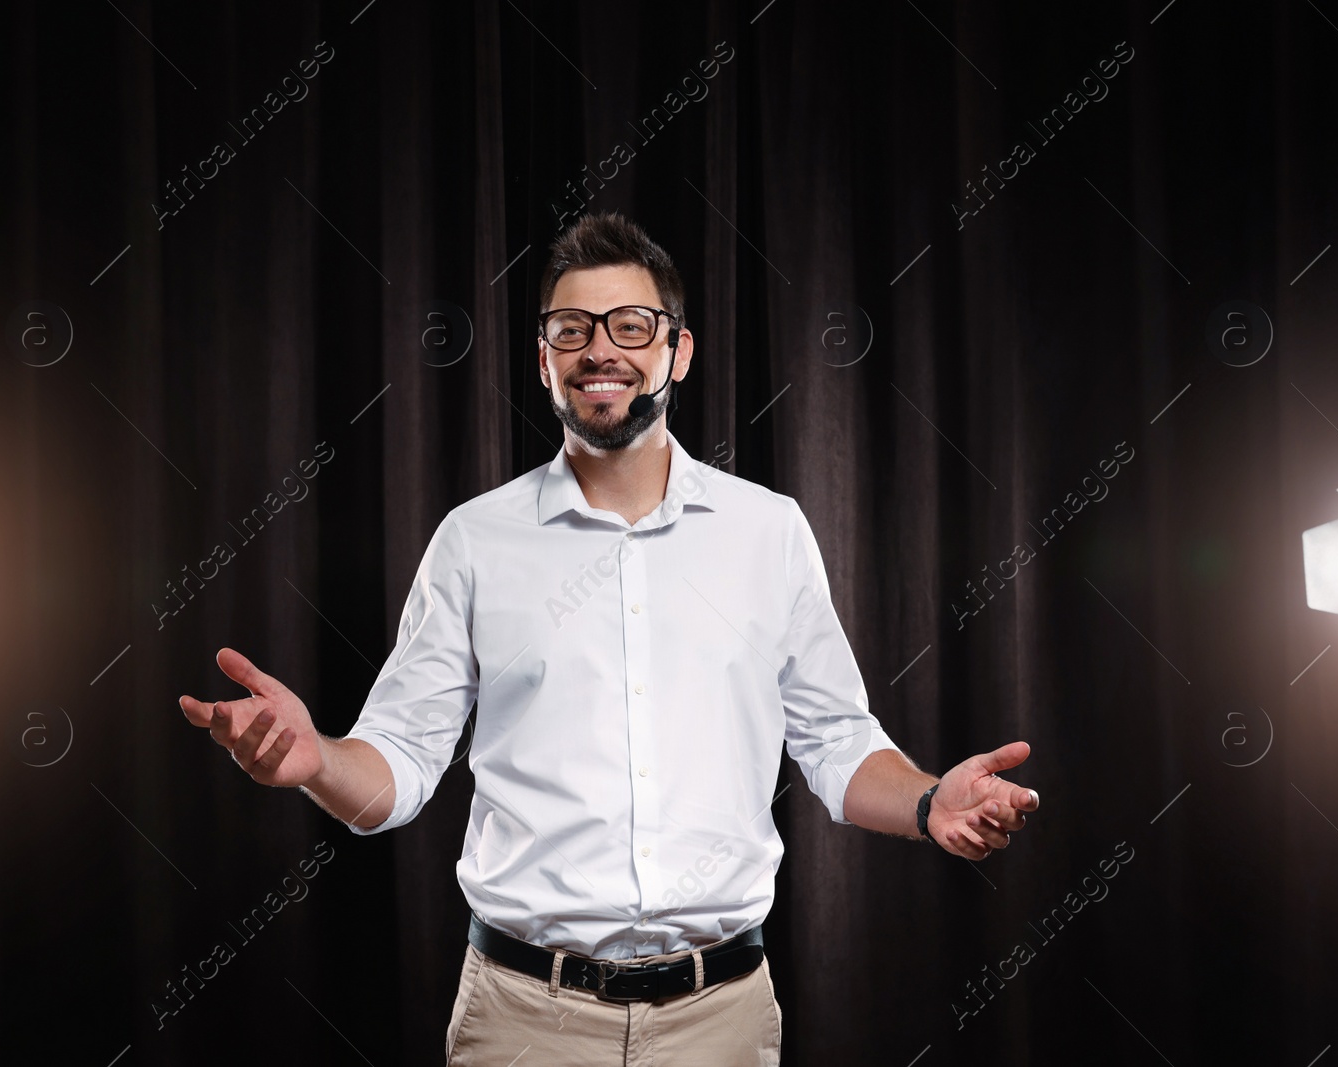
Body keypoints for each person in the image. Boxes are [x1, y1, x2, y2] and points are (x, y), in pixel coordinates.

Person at [178, 211, 1040, 1065]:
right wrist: (318, 759)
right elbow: (398, 765)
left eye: (632, 326)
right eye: (571, 329)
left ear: (679, 351)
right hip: (521, 1021)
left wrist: (930, 803)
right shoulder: (475, 541)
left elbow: (838, 744)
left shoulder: (767, 532)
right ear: (544, 358)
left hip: (721, 1022)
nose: (601, 351)